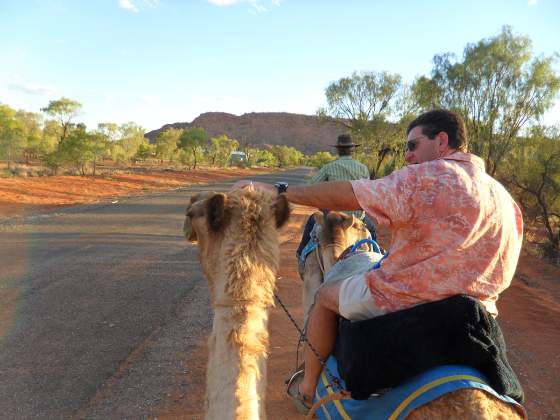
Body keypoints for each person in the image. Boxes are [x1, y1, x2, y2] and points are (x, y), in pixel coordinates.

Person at [233, 109, 524, 409]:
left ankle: (307, 390)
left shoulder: (426, 175)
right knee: (371, 235)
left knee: (324, 296)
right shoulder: (504, 196)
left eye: (413, 145)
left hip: (405, 298)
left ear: (441, 140)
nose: (408, 155)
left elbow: (348, 194)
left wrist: (280, 191)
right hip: (479, 309)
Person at [296, 133, 375, 261]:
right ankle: (378, 255)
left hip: (331, 220)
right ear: (352, 149)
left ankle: (301, 255)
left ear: (338, 150)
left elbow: (310, 187)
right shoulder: (363, 169)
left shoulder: (329, 167)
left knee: (312, 221)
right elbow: (368, 192)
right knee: (371, 229)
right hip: (357, 219)